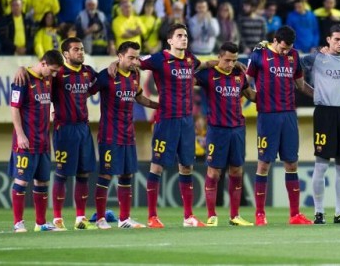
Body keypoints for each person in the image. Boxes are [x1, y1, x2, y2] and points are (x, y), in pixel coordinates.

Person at [114, 23, 215, 228]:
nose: (184, 38)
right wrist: (113, 65)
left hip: (187, 121)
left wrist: (218, 62)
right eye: (179, 35)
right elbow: (135, 63)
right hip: (166, 120)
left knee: (187, 166)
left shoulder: (190, 58)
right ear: (170, 40)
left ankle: (188, 217)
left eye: (185, 35)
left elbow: (202, 65)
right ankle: (152, 216)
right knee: (157, 166)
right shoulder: (159, 59)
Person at [246, 25, 314, 225]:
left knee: (292, 163)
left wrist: (320, 96)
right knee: (264, 164)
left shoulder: (294, 56)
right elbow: (245, 81)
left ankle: (295, 214)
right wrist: (251, 96)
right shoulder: (259, 54)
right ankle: (260, 214)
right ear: (275, 41)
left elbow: (301, 85)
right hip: (267, 116)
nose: (285, 52)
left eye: (288, 48)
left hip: (289, 116)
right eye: (283, 48)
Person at [301, 24, 340, 224]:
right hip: (325, 113)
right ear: (328, 40)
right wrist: (313, 92)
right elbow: (293, 66)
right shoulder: (316, 58)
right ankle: (319, 213)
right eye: (336, 39)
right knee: (321, 164)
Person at [93, 41, 158, 229]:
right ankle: (100, 219)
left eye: (136, 57)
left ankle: (124, 219)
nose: (134, 61)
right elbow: (86, 92)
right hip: (109, 134)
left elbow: (138, 96)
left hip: (128, 134)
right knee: (106, 175)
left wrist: (158, 106)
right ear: (119, 56)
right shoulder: (107, 75)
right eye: (130, 57)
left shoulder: (136, 74)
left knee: (126, 175)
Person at [195, 42, 257, 226]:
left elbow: (251, 96)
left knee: (237, 170)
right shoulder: (209, 74)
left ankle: (234, 215)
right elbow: (186, 75)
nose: (230, 64)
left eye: (234, 60)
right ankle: (212, 215)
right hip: (216, 130)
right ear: (219, 57)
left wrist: (271, 92)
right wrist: (209, 63)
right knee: (214, 172)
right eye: (227, 60)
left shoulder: (239, 75)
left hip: (237, 129)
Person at [9, 49, 64, 233]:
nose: (54, 74)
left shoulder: (48, 79)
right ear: (43, 63)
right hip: (25, 141)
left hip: (43, 141)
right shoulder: (22, 80)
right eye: (53, 70)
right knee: (22, 181)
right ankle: (18, 223)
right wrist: (20, 134)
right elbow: (14, 108)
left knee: (42, 182)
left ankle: (41, 223)